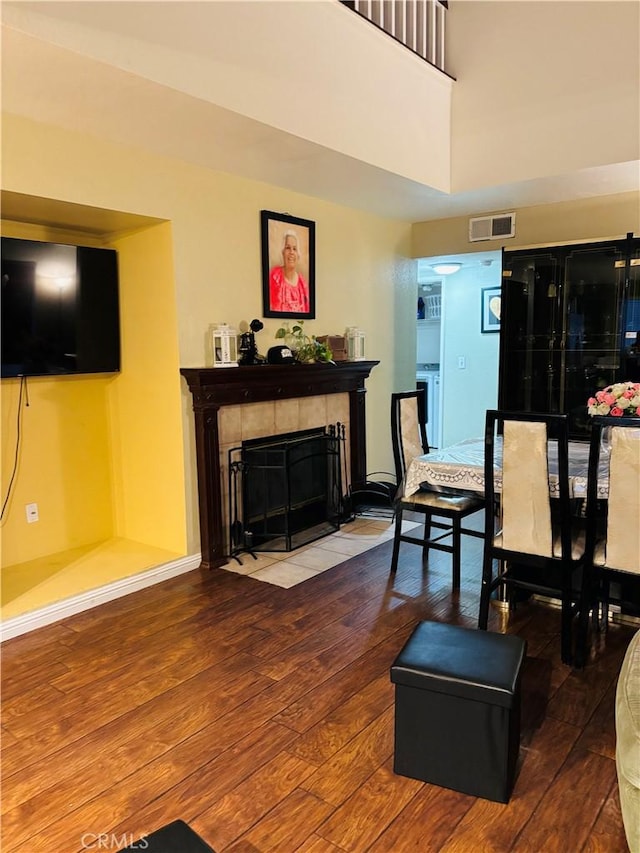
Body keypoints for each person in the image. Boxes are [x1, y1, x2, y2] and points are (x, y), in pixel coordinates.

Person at [269, 229, 309, 314]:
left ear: (298, 254)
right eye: (288, 248)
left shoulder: (303, 284)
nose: (291, 252)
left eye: (294, 249)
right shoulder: (275, 277)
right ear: (283, 252)